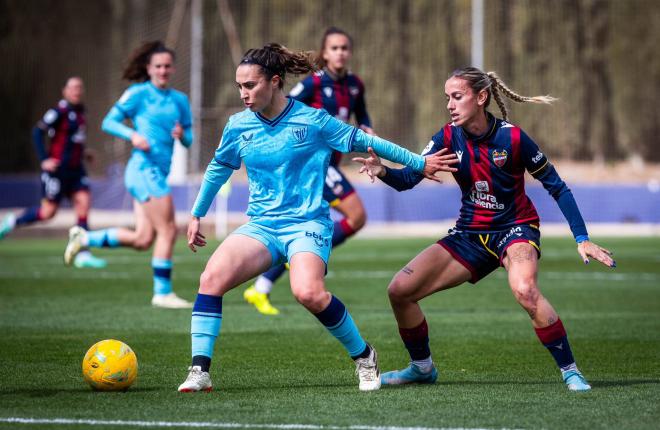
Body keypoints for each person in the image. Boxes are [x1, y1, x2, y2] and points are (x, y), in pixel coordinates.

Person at [176, 43, 459, 393]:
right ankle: (199, 372)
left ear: (275, 82)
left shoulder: (314, 121)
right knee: (211, 278)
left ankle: (364, 356)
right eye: (239, 86)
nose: (243, 94)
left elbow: (368, 141)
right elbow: (219, 167)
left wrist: (419, 162)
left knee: (308, 292)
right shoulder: (238, 126)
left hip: (307, 224)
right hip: (261, 226)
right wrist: (196, 214)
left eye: (250, 86)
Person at [353, 66, 615, 392]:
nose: (449, 105)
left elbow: (557, 186)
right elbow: (408, 180)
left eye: (457, 97)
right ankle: (422, 369)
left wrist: (583, 238)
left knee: (525, 290)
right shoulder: (446, 137)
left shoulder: (513, 137)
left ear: (481, 97)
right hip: (470, 234)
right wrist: (383, 171)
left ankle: (571, 371)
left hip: (515, 229)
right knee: (399, 291)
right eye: (447, 97)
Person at [244, 27, 374, 315]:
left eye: (344, 48)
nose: (340, 52)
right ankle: (302, 254)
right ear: (324, 53)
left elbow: (362, 114)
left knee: (330, 221)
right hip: (315, 165)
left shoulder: (355, 85)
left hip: (332, 164)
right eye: (334, 48)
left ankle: (263, 285)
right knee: (357, 216)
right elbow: (285, 107)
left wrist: (367, 128)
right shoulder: (314, 82)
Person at [63, 41, 194, 309]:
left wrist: (183, 135)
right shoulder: (138, 94)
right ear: (149, 68)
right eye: (158, 66)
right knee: (168, 229)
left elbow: (189, 140)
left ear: (173, 68)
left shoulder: (180, 100)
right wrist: (132, 135)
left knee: (143, 239)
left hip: (157, 173)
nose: (163, 70)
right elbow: (108, 122)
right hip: (143, 170)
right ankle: (162, 293)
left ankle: (85, 238)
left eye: (167, 66)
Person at [0, 77, 107, 269]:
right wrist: (44, 160)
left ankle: (83, 253)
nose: (77, 91)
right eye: (72, 87)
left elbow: (72, 141)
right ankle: (12, 221)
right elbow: (37, 132)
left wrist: (85, 153)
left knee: (83, 205)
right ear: (64, 91)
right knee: (47, 213)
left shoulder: (81, 112)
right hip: (57, 171)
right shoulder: (59, 112)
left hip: (76, 171)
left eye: (79, 87)